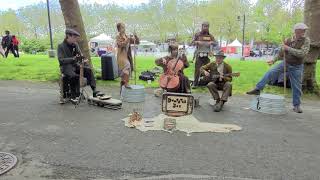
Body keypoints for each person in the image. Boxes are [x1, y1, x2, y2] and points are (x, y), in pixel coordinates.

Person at [246, 23, 311, 113]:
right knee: (271, 72)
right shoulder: (288, 40)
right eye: (302, 30)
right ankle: (258, 89)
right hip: (286, 63)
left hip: (297, 66)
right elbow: (281, 53)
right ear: (296, 31)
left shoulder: (306, 40)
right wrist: (273, 60)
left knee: (296, 86)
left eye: (304, 30)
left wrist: (288, 48)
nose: (304, 32)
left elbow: (302, 53)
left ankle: (296, 106)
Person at [57, 28, 102, 103]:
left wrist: (83, 60)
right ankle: (74, 95)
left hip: (75, 66)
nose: (75, 40)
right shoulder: (61, 46)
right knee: (74, 76)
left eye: (76, 38)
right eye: (74, 38)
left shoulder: (75, 45)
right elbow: (61, 60)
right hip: (66, 67)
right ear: (68, 36)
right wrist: (73, 59)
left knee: (88, 70)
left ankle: (94, 91)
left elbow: (80, 55)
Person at [192, 22, 218, 87]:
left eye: (207, 26)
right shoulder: (197, 35)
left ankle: (206, 83)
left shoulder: (210, 36)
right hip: (199, 55)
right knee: (197, 70)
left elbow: (216, 43)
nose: (205, 28)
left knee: (208, 69)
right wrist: (197, 42)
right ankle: (195, 84)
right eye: (204, 26)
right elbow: (191, 42)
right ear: (202, 27)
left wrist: (211, 42)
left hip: (207, 56)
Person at [115, 22, 140, 93]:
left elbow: (137, 42)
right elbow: (121, 45)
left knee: (126, 73)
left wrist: (136, 36)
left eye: (124, 27)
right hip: (121, 57)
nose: (124, 28)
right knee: (127, 66)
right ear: (119, 29)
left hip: (127, 56)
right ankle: (126, 83)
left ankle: (122, 91)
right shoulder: (118, 37)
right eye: (122, 27)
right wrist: (128, 39)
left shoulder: (127, 36)